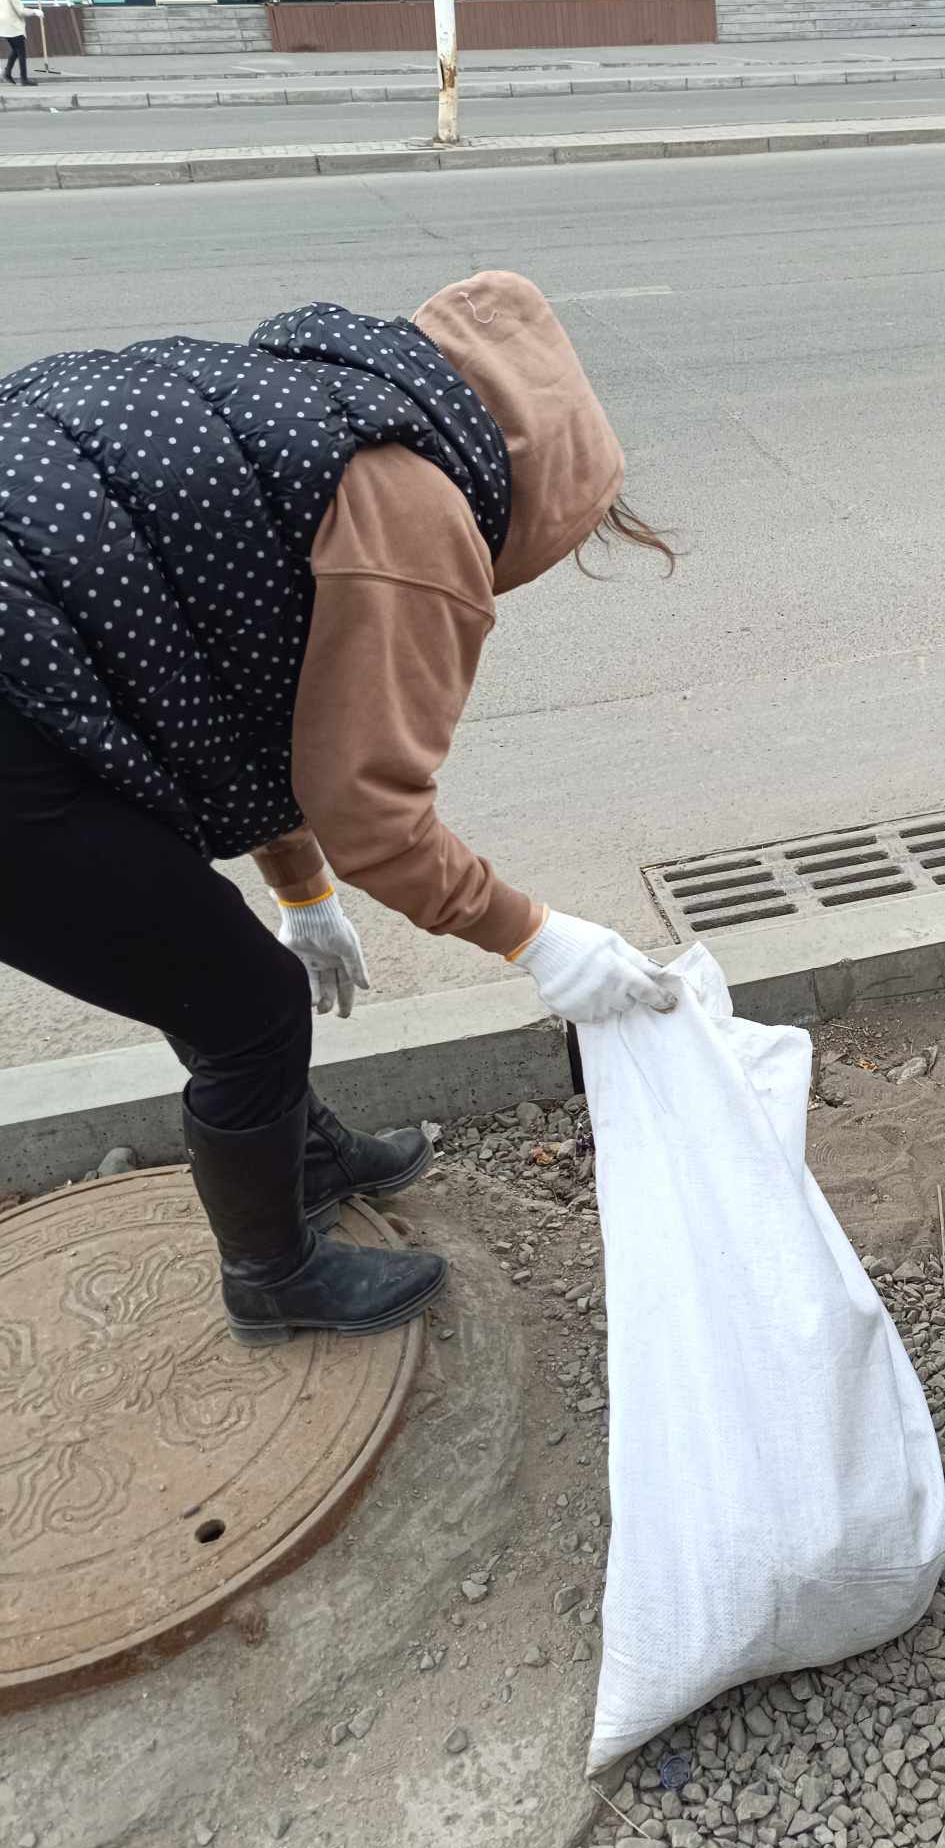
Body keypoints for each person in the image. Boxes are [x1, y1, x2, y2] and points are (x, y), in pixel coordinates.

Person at [0, 273, 677, 1348]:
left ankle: (305, 1160)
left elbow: (244, 684)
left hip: (34, 661)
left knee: (197, 953)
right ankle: (275, 1277)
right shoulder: (414, 514)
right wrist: (537, 938)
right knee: (250, 1004)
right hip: (18, 712)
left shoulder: (316, 407)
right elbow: (372, 810)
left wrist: (303, 889)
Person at [0, 0, 41, 87]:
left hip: (2, 26)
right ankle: (24, 79)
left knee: (16, 50)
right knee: (21, 52)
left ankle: (7, 72)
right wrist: (35, 12)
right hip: (13, 26)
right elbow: (21, 11)